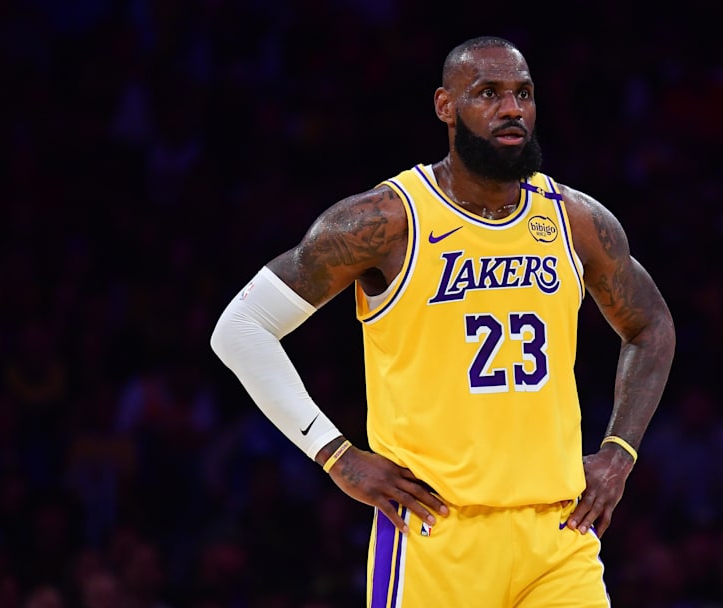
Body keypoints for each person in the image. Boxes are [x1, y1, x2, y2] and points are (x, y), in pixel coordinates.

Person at [210, 35, 675, 607]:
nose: (512, 109)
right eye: (489, 93)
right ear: (445, 106)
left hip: (559, 534)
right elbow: (242, 327)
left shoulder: (574, 220)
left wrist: (620, 453)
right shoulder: (387, 220)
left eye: (523, 93)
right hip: (435, 530)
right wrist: (336, 455)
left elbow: (651, 326)